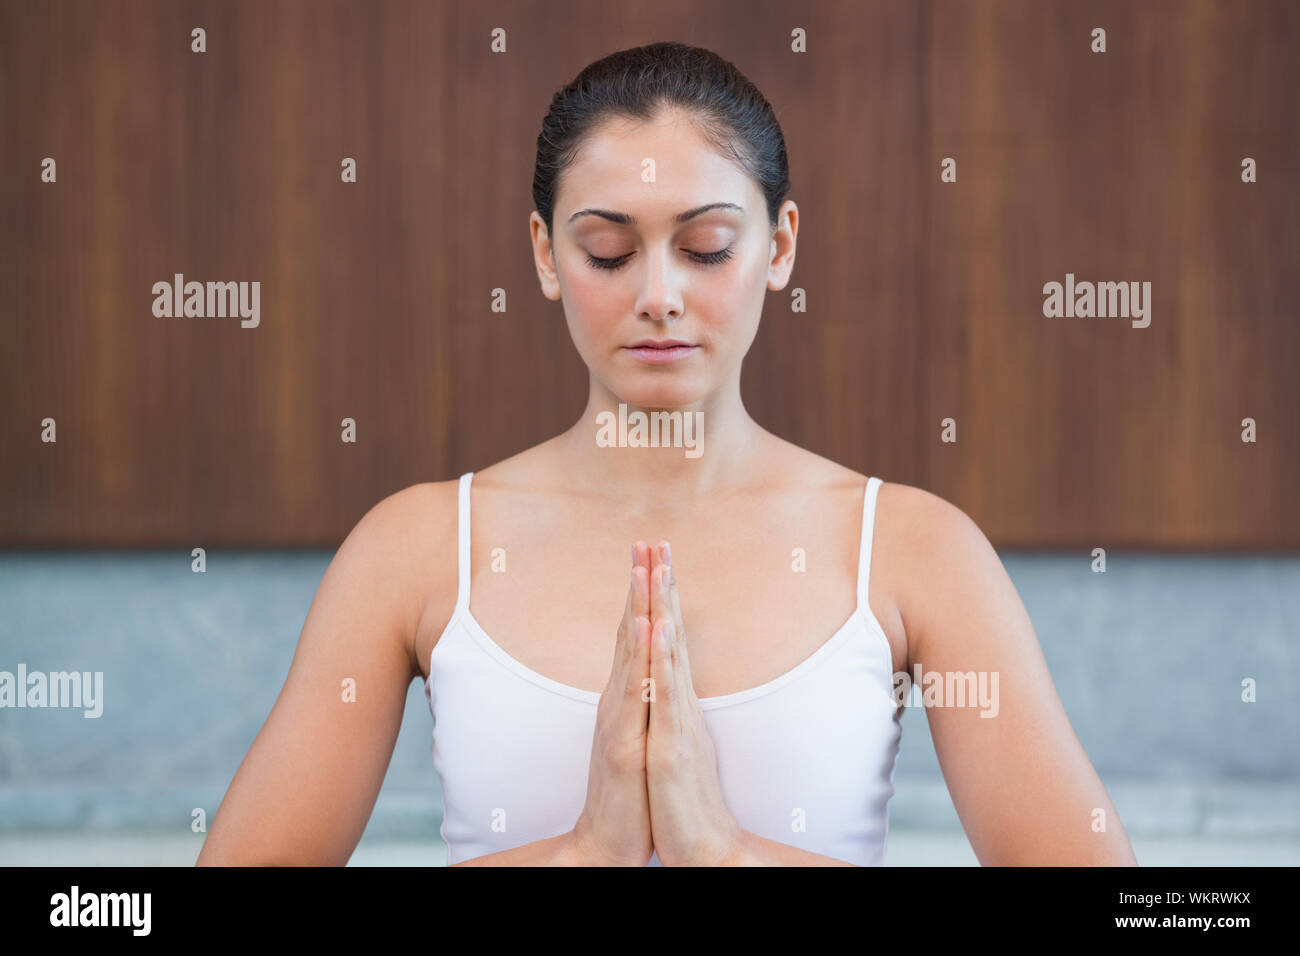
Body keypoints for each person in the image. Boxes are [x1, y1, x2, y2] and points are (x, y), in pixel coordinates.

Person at [197, 41, 1137, 867]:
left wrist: (722, 854)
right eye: (608, 251)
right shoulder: (413, 547)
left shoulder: (914, 548)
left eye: (707, 247)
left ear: (780, 246)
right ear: (542, 253)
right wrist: (583, 855)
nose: (658, 295)